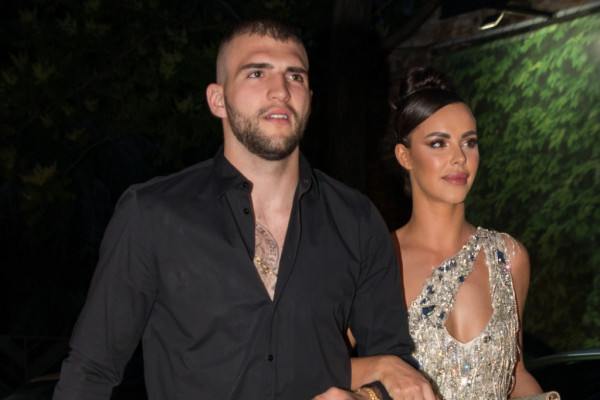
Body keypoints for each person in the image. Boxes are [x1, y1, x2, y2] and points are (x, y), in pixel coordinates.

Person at [52, 20, 433, 400]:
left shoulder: (356, 219)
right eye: (256, 73)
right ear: (218, 99)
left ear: (309, 98)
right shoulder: (154, 214)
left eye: (295, 76)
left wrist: (365, 397)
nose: (281, 90)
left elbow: (395, 363)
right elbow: (90, 370)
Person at [350, 67, 544, 399]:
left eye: (469, 142)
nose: (459, 158)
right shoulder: (375, 260)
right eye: (439, 143)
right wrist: (384, 369)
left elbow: (515, 373)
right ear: (405, 155)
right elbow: (319, 366)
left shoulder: (509, 257)